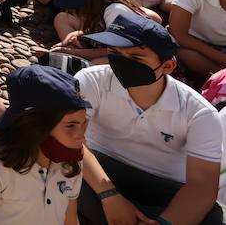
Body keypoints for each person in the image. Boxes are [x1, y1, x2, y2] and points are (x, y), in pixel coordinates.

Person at [75, 14, 223, 225]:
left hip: (164, 191)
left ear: (167, 67)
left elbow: (202, 186)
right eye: (114, 52)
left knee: (215, 217)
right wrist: (109, 196)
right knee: (54, 171)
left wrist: (165, 222)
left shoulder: (199, 113)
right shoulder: (91, 80)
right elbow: (72, 142)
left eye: (136, 58)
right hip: (98, 173)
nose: (121, 62)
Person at [0, 65, 89, 225]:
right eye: (71, 126)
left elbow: (69, 216)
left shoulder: (71, 160)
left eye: (84, 124)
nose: (81, 138)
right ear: (36, 126)